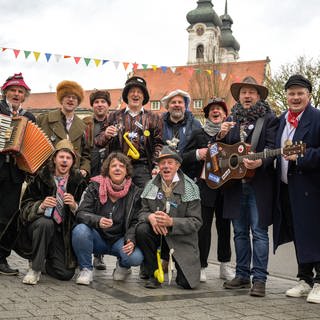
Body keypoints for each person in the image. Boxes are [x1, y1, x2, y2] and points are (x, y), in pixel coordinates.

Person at [218, 77, 278, 297]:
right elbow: (221, 151)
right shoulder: (231, 118)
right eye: (244, 92)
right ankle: (242, 275)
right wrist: (220, 134)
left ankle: (259, 279)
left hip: (258, 184)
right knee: (240, 233)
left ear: (258, 96)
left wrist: (261, 161)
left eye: (252, 92)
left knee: (259, 233)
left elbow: (274, 148)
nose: (247, 96)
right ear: (239, 96)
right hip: (234, 185)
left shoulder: (269, 118)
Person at [273, 75, 320, 304]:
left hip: (311, 189)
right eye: (291, 93)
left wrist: (302, 156)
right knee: (299, 234)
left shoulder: (317, 118)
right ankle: (305, 279)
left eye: (300, 93)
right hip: (288, 188)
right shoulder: (282, 120)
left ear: (309, 95)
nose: (295, 97)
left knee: (315, 233)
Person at [20, 139, 87, 285]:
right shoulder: (41, 177)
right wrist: (41, 206)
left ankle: (45, 261)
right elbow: (24, 207)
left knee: (65, 274)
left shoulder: (79, 181)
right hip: (39, 227)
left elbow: (88, 211)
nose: (64, 161)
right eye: (61, 157)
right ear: (54, 159)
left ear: (73, 161)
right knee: (46, 223)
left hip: (62, 233)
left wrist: (75, 206)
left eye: (68, 158)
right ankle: (35, 269)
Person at [72, 152, 144, 285]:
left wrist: (131, 240)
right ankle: (86, 269)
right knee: (80, 231)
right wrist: (97, 221)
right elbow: (81, 213)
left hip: (120, 240)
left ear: (126, 171)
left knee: (136, 257)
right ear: (107, 170)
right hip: (97, 238)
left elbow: (136, 221)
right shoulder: (94, 187)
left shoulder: (135, 193)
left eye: (121, 166)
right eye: (113, 166)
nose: (117, 168)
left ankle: (123, 266)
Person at [136, 145, 202, 289]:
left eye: (170, 163)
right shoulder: (150, 186)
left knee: (186, 284)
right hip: (158, 236)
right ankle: (155, 272)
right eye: (162, 163)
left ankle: (173, 265)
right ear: (158, 166)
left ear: (177, 166)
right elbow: (141, 213)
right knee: (142, 229)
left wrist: (171, 222)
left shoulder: (190, 188)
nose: (166, 166)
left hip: (181, 240)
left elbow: (196, 222)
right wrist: (150, 217)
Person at [182, 98, 234, 283]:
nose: (216, 111)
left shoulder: (231, 134)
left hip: (226, 187)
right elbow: (183, 157)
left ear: (225, 114)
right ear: (208, 114)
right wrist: (198, 153)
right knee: (203, 228)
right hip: (204, 188)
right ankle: (202, 265)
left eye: (220, 109)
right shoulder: (198, 133)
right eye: (212, 109)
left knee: (224, 227)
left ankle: (225, 266)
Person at [96, 76, 163, 188]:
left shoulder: (154, 118)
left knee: (143, 199)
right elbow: (98, 141)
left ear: (144, 96)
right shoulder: (114, 116)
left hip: (143, 167)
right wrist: (106, 135)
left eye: (139, 92)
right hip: (118, 166)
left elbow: (159, 144)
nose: (135, 94)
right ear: (126, 96)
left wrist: (156, 165)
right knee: (118, 201)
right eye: (132, 91)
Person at [0, 73, 36, 276]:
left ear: (24, 95)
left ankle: (1, 258)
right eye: (13, 90)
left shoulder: (29, 117)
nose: (16, 93)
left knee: (8, 216)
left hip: (14, 174)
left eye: (20, 91)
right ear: (5, 92)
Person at [83, 89, 112, 270]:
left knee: (105, 211)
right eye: (96, 102)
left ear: (108, 105)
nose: (100, 104)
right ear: (92, 105)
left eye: (103, 102)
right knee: (90, 210)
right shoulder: (86, 124)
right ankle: (87, 251)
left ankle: (99, 256)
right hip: (90, 170)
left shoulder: (114, 122)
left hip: (109, 172)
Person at [37, 80, 91, 177]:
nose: (70, 99)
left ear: (78, 102)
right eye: (67, 96)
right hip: (46, 176)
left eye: (74, 97)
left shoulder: (83, 126)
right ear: (61, 99)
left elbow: (86, 154)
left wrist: (84, 169)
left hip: (72, 177)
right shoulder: (44, 119)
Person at [161, 89, 202, 155]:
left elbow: (199, 148)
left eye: (180, 102)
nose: (177, 105)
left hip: (189, 164)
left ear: (185, 106)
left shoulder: (195, 124)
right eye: (173, 102)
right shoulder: (159, 124)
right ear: (167, 107)